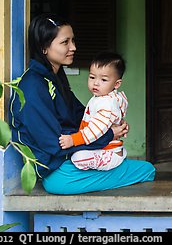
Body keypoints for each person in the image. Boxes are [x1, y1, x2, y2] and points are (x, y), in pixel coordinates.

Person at [10, 13, 156, 194]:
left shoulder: (54, 77)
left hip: (70, 160)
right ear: (44, 48)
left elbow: (81, 113)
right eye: (65, 42)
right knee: (147, 170)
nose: (73, 47)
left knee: (133, 166)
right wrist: (108, 135)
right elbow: (54, 145)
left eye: (73, 41)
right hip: (58, 172)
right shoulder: (32, 86)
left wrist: (111, 123)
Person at [59, 51, 129, 171]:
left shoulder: (107, 103)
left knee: (77, 158)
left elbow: (95, 130)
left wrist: (73, 140)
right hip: (103, 147)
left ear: (116, 84)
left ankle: (109, 163)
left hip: (108, 151)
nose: (96, 83)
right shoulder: (103, 98)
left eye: (104, 80)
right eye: (92, 77)